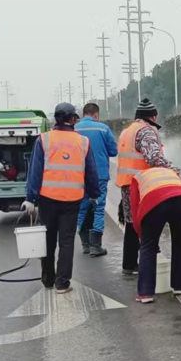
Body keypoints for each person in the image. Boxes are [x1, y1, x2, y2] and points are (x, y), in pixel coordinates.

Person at [22, 102, 101, 293]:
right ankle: (62, 283)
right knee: (66, 242)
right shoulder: (83, 142)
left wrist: (30, 198)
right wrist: (94, 195)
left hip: (47, 199)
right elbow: (91, 172)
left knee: (48, 240)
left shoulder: (44, 140)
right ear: (72, 119)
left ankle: (48, 279)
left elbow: (35, 172)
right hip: (72, 200)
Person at [115, 98, 181, 276]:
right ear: (153, 116)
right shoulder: (146, 131)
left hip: (127, 183)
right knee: (147, 224)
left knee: (132, 223)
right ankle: (151, 266)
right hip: (143, 184)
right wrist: (177, 172)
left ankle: (129, 264)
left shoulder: (127, 131)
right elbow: (154, 158)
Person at [130, 166, 181, 304]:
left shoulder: (138, 176)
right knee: (180, 241)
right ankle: (180, 286)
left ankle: (145, 293)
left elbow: (135, 206)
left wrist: (141, 234)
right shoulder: (171, 171)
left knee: (148, 246)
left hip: (153, 201)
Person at [75, 102, 118, 257]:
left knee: (81, 207)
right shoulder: (103, 128)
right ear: (96, 115)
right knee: (99, 207)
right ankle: (95, 246)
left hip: (79, 175)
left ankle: (85, 244)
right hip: (99, 175)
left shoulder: (74, 130)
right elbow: (113, 151)